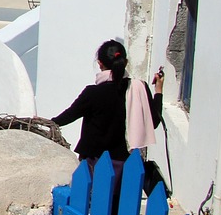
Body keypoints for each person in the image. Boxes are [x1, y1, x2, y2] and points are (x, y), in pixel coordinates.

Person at [52, 39, 163, 179]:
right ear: (125, 62)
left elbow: (68, 116)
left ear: (100, 64)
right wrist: (158, 90)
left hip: (95, 164)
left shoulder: (92, 93)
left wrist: (45, 123)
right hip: (126, 167)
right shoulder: (139, 88)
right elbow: (154, 122)